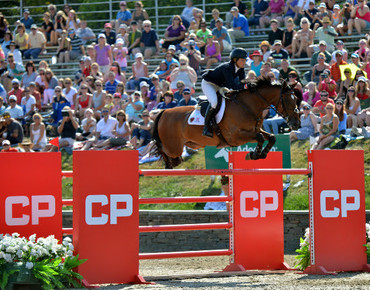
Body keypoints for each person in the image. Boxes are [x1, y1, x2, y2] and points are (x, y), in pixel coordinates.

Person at [201, 48, 248, 137]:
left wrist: (250, 84)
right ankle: (206, 127)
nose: (244, 62)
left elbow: (242, 82)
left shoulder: (241, 69)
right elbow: (233, 86)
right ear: (235, 60)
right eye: (242, 60)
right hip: (209, 84)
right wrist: (247, 86)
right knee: (214, 102)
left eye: (245, 60)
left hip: (220, 85)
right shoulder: (227, 68)